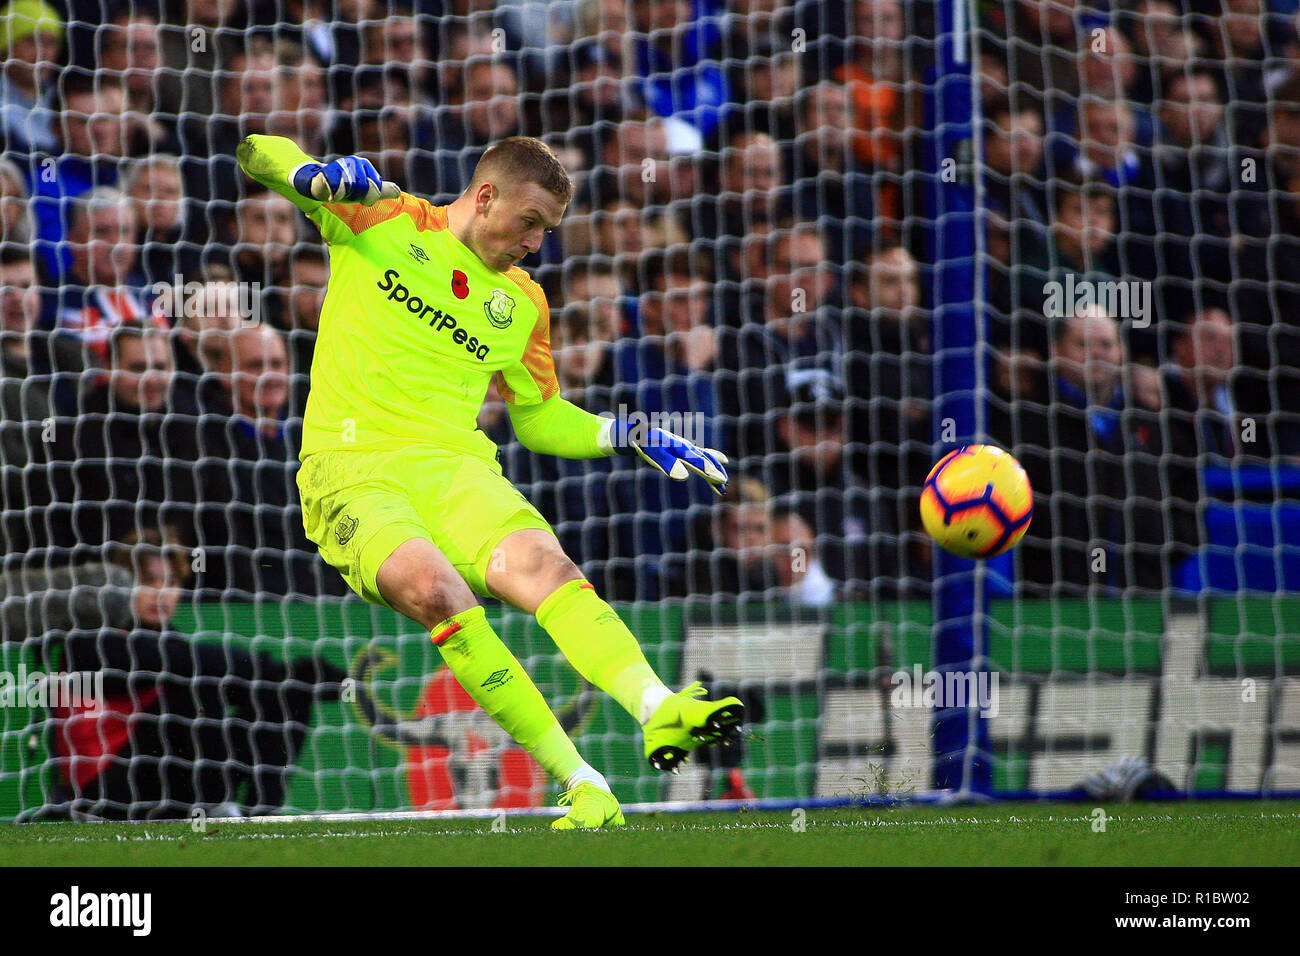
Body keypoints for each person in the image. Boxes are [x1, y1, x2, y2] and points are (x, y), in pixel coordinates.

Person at [237, 132, 744, 829]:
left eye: (549, 231)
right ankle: (580, 779)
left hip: (458, 469)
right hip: (352, 474)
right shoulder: (381, 217)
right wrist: (312, 175)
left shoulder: (523, 303)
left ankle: (660, 708)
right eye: (530, 223)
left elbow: (538, 418)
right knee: (436, 589)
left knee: (548, 568)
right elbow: (252, 150)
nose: (537, 244)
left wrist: (623, 433)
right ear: (484, 197)